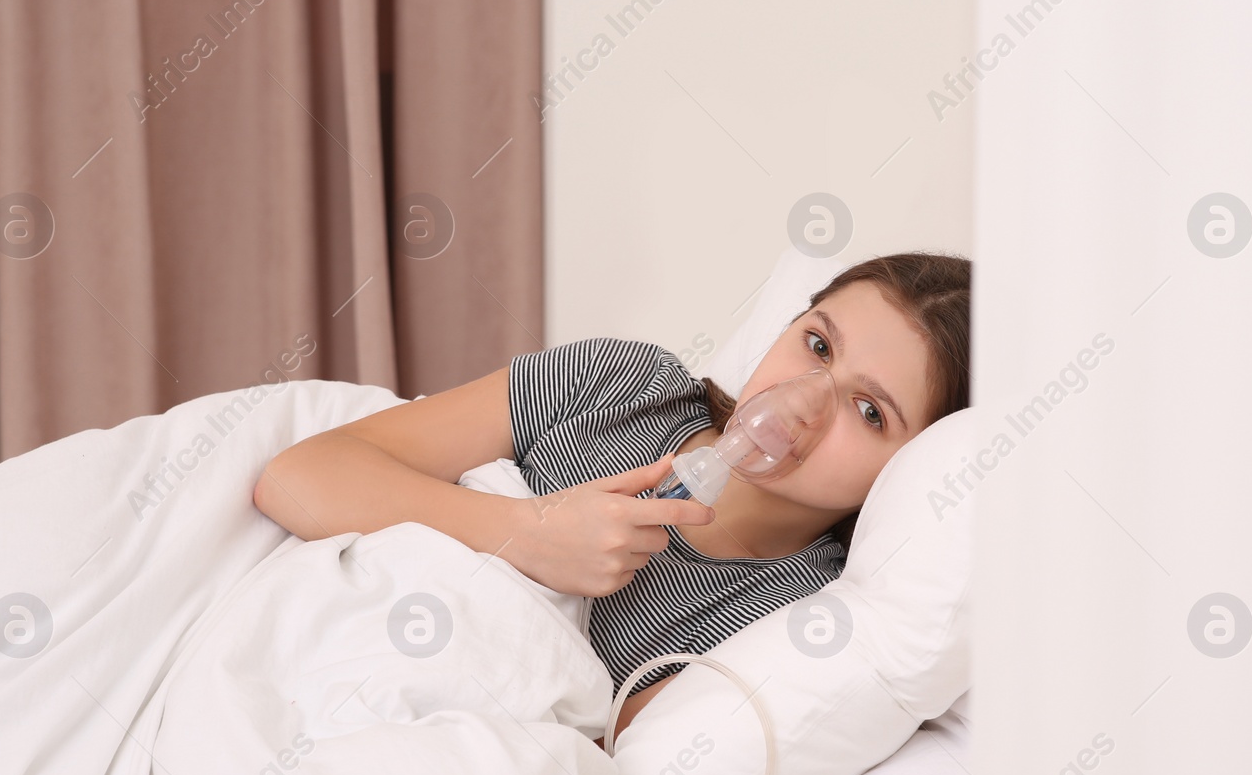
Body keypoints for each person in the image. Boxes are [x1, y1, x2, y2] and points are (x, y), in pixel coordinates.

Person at [254, 252, 971, 738]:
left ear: (915, 467)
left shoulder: (797, 617)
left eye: (870, 411)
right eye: (817, 345)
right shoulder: (622, 385)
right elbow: (298, 475)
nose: (803, 401)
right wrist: (523, 529)